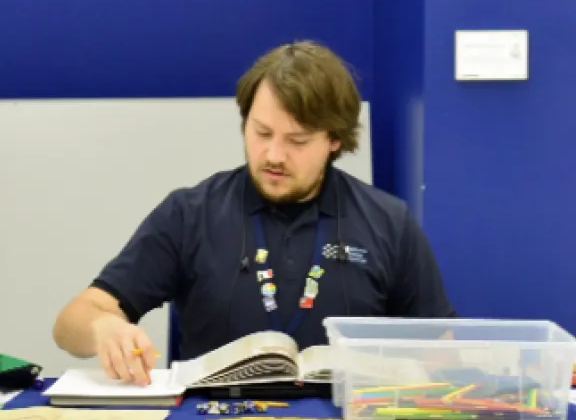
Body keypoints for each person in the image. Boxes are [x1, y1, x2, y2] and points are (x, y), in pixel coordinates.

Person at [53, 41, 455, 385]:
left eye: (297, 140)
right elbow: (71, 324)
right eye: (261, 133)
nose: (274, 155)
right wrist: (104, 328)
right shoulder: (191, 213)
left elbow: (442, 350)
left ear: (334, 139)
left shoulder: (388, 221)